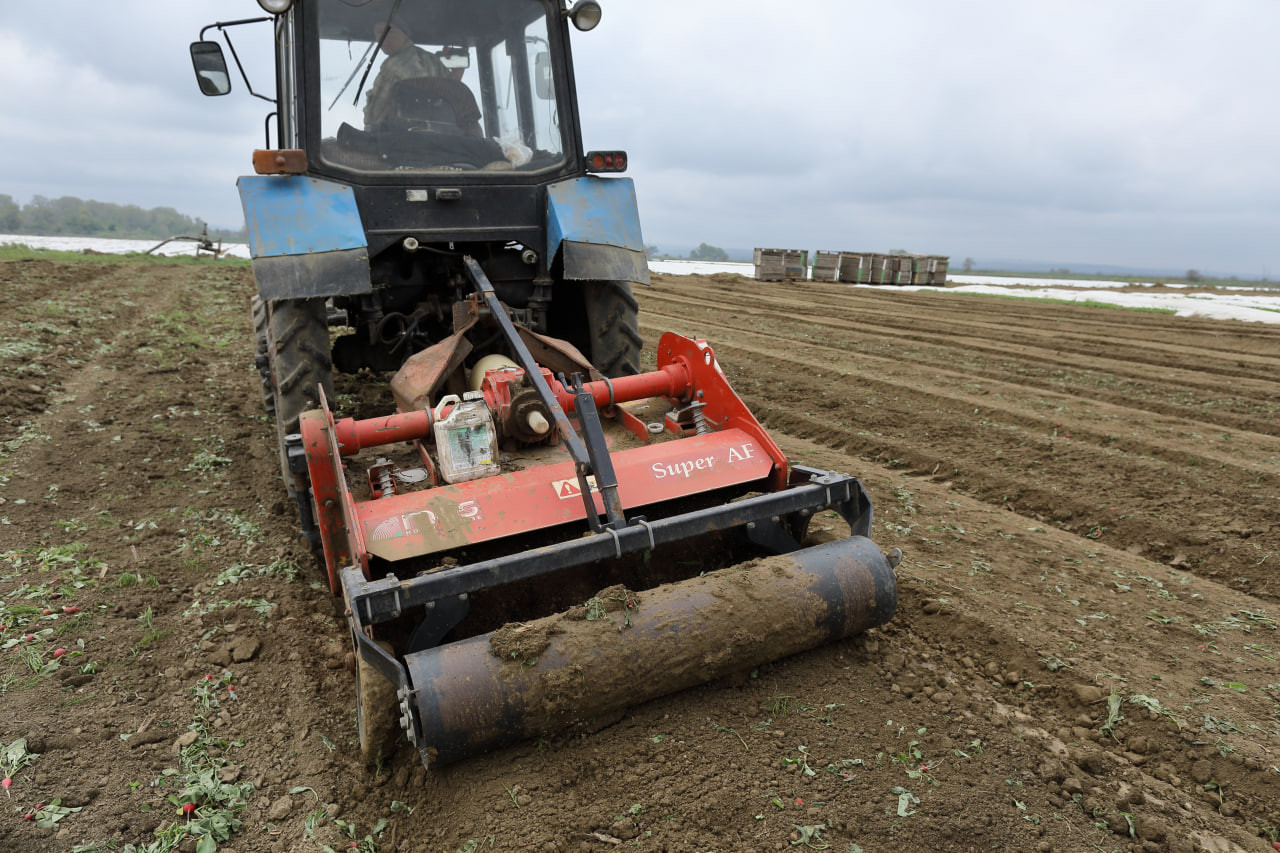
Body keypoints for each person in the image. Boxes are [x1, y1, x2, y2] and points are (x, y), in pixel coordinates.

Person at [362, 17, 449, 130]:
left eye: (391, 32)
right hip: (441, 141)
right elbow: (454, 97)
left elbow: (373, 118)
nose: (383, 37)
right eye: (379, 32)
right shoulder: (432, 60)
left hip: (404, 142)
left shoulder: (393, 67)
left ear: (405, 33)